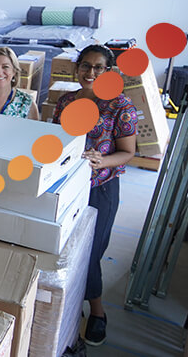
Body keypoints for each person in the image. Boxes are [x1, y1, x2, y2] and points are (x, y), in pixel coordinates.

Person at [52, 44, 138, 346]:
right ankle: (69, 306)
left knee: (90, 253)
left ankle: (98, 312)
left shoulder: (120, 106)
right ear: (77, 69)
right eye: (85, 66)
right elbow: (54, 139)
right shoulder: (65, 101)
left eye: (98, 67)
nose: (90, 72)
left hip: (100, 188)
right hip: (66, 186)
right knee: (63, 250)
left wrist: (102, 160)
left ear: (109, 72)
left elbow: (128, 152)